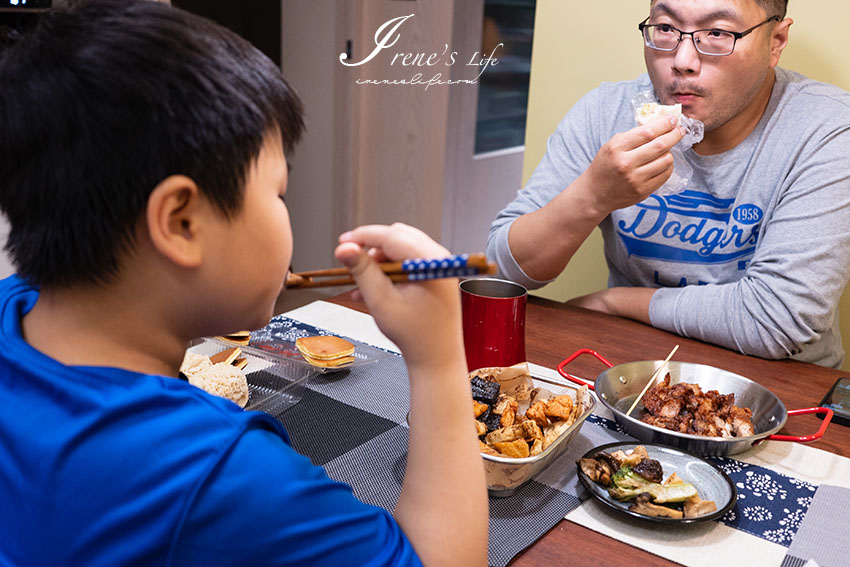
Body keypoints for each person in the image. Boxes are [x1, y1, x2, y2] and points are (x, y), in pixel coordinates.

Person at [0, 1, 487, 565]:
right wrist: (438, 360)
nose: (287, 212)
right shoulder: (219, 473)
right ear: (182, 222)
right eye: (278, 192)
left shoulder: (15, 309)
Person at [487, 0, 850, 368]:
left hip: (782, 386)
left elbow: (777, 319)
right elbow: (503, 268)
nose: (682, 60)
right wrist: (593, 196)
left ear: (776, 41)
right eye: (665, 28)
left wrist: (613, 303)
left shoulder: (827, 130)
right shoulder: (606, 113)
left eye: (718, 33)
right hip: (625, 369)